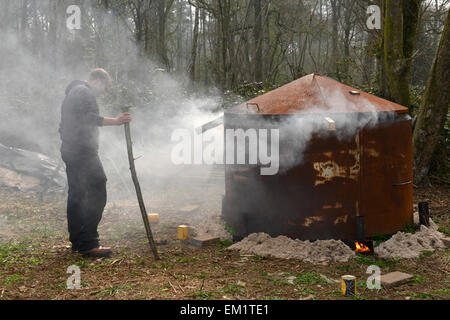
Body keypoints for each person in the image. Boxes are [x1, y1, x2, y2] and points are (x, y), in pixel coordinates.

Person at [59, 68, 131, 257]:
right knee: (98, 188)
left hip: (70, 149)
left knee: (77, 194)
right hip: (83, 152)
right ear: (98, 81)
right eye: (105, 88)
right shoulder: (85, 92)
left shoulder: (73, 92)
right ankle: (89, 242)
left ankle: (77, 241)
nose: (103, 92)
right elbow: (87, 119)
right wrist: (115, 121)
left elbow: (67, 124)